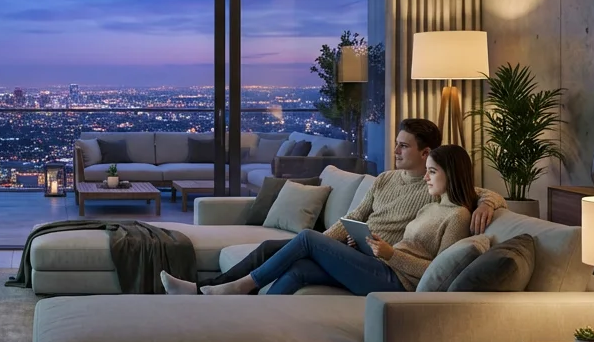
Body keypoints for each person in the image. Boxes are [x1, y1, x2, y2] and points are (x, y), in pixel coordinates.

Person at [160, 118, 503, 295]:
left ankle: (235, 289)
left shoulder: (436, 192)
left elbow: (469, 190)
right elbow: (353, 217)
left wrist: (489, 201)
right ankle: (237, 308)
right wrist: (330, 242)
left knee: (306, 240)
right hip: (363, 252)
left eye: (403, 147)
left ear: (426, 154)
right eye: (396, 145)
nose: (395, 151)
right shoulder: (385, 179)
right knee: (292, 262)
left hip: (385, 267)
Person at [199, 144, 477, 295]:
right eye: (426, 171)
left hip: (397, 282)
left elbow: (439, 273)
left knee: (308, 238)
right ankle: (255, 317)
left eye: (433, 172)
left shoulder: (458, 216)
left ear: (451, 175)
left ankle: (242, 286)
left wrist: (392, 255)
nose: (426, 178)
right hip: (379, 264)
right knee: (300, 270)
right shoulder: (433, 205)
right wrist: (372, 248)